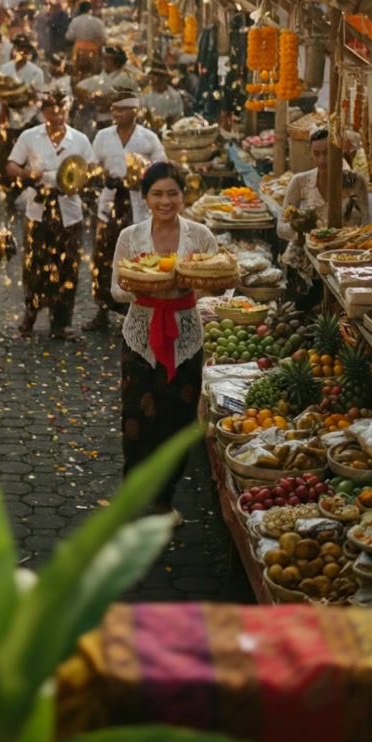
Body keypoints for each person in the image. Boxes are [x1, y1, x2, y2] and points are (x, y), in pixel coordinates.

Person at [111, 162, 219, 521]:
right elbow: (116, 289)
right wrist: (148, 285)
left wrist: (194, 288)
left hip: (185, 336)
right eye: (157, 194)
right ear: (145, 198)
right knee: (137, 418)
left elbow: (217, 279)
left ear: (183, 196)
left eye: (173, 193)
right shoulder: (130, 237)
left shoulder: (200, 236)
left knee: (178, 420)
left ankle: (163, 501)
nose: (165, 201)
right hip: (140, 335)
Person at [7, 87, 93, 341]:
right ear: (43, 112)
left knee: (68, 265)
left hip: (69, 209)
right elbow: (11, 166)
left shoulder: (79, 140)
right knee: (35, 264)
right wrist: (27, 174)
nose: (57, 117)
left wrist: (82, 179)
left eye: (62, 112)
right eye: (52, 112)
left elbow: (90, 169)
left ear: (68, 111)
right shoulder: (30, 136)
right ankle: (30, 315)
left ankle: (62, 322)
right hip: (38, 209)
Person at [84, 81, 166, 332]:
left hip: (138, 204)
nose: (116, 113)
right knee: (104, 255)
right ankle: (102, 309)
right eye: (114, 109)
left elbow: (163, 169)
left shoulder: (148, 138)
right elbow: (92, 166)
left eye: (121, 109)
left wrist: (143, 178)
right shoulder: (103, 136)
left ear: (134, 111)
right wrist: (101, 177)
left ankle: (138, 310)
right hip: (111, 202)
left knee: (138, 256)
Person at [278, 126, 370, 302]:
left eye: (327, 153)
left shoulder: (356, 182)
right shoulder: (299, 182)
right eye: (316, 154)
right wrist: (297, 228)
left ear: (339, 152)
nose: (321, 160)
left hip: (341, 262)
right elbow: (281, 229)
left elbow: (366, 227)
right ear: (310, 154)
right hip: (302, 266)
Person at [0, 34, 44, 190]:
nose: (22, 52)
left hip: (28, 118)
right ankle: (7, 188)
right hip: (8, 117)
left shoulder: (36, 72)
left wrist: (25, 112)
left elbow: (37, 99)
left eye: (26, 50)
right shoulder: (5, 69)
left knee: (27, 157)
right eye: (19, 49)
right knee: (6, 155)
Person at [65, 0, 107, 79]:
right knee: (92, 74)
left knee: (78, 74)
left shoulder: (75, 21)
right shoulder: (98, 22)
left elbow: (69, 36)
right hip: (93, 51)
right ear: (90, 10)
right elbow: (104, 38)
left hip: (78, 51)